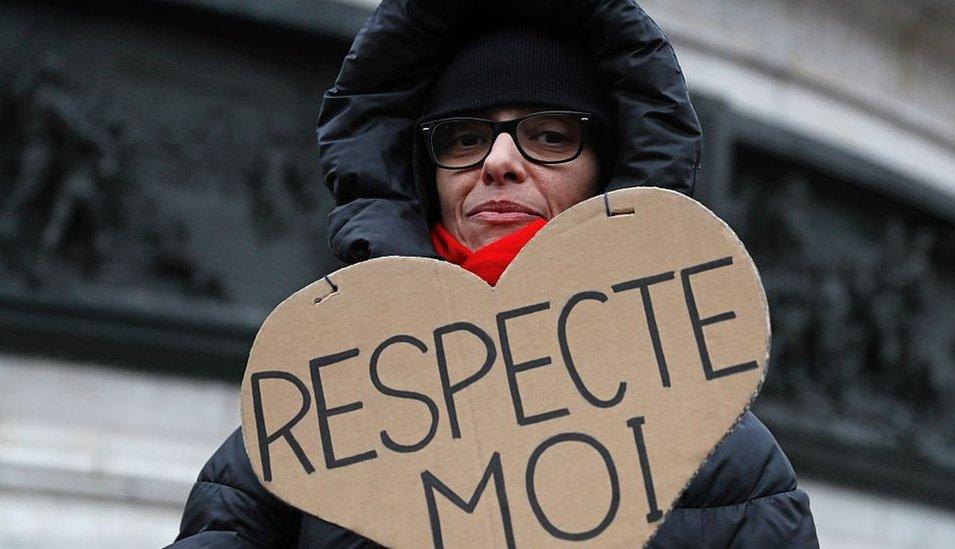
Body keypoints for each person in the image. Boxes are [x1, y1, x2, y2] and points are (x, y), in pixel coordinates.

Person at [170, 1, 818, 547]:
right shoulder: (310, 416)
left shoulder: (729, 455)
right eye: (461, 137)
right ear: (425, 173)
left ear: (608, 168)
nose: (499, 161)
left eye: (550, 133)